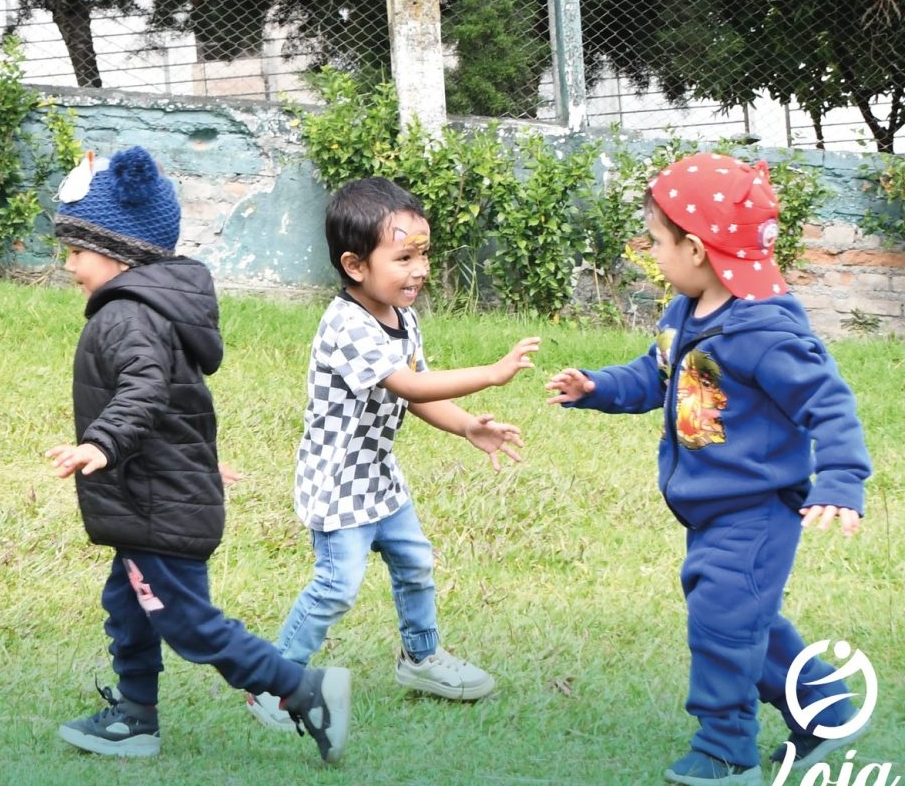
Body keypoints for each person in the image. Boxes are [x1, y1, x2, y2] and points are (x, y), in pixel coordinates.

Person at [546, 153, 871, 785]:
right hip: (709, 508)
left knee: (722, 623)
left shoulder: (765, 331)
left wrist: (840, 479)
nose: (652, 251)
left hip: (757, 509)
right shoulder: (684, 314)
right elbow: (653, 376)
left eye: (658, 241)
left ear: (695, 248)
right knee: (747, 616)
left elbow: (827, 402)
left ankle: (726, 751)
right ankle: (828, 712)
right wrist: (598, 386)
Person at [45, 145, 350, 763]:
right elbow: (181, 402)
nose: (69, 264)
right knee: (127, 606)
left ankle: (302, 689)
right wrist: (196, 461)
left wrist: (100, 443)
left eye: (77, 250)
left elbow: (145, 391)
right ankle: (135, 717)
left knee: (185, 622)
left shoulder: (127, 315)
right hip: (154, 495)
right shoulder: (148, 310)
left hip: (157, 506)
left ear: (118, 251)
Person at [247, 176, 541, 730]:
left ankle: (421, 658)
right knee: (336, 587)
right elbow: (406, 386)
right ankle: (273, 684)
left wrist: (466, 429)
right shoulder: (345, 325)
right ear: (355, 265)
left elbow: (418, 386)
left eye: (423, 254)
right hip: (337, 483)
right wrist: (493, 375)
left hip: (378, 477)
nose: (420, 269)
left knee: (416, 563)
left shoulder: (402, 317)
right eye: (403, 256)